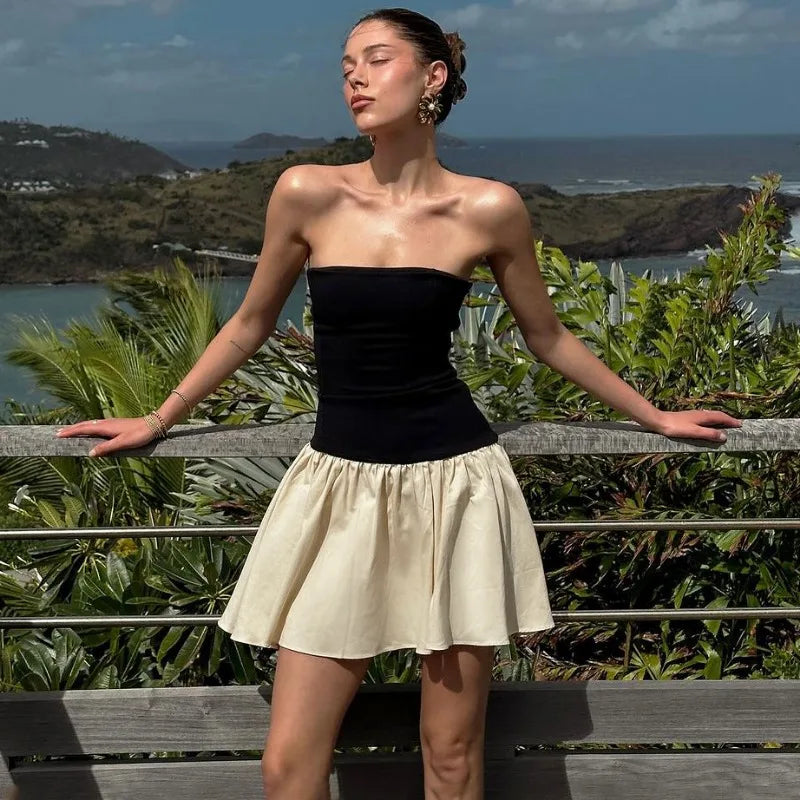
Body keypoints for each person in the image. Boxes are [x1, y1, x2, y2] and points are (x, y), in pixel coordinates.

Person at [55, 7, 743, 799]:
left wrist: (653, 417)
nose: (352, 75)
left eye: (375, 59)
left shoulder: (489, 209)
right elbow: (248, 325)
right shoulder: (307, 192)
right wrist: (160, 416)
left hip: (455, 488)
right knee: (287, 765)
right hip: (338, 490)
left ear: (433, 76)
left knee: (451, 759)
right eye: (346, 62)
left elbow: (546, 338)